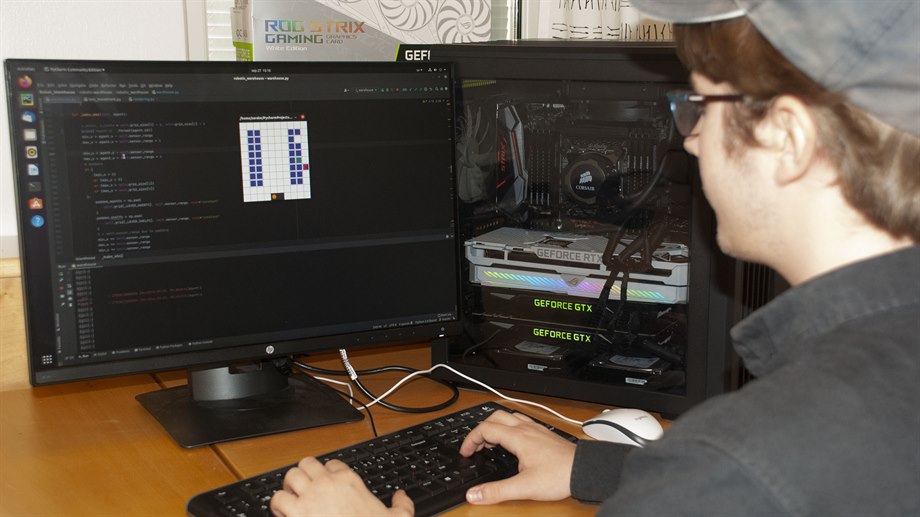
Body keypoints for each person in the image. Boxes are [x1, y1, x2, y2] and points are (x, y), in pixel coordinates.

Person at [269, 1, 920, 515]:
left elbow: (742, 478)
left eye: (700, 107)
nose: (691, 142)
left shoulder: (741, 460)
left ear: (788, 138)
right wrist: (600, 467)